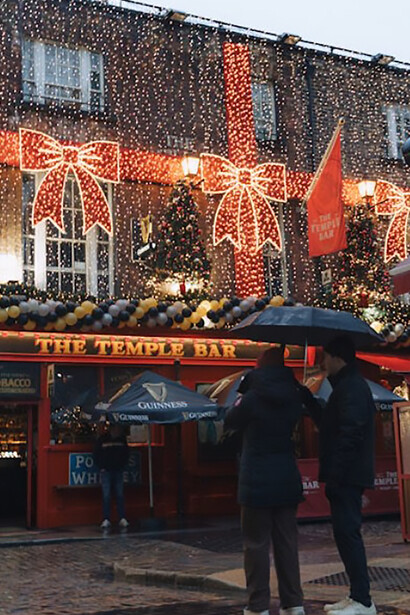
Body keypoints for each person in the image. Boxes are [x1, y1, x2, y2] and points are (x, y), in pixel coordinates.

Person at [224, 346, 305, 615]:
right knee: (287, 544)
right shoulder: (294, 394)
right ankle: (293, 603)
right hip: (286, 477)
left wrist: (243, 391)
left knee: (256, 545)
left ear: (261, 365)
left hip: (256, 479)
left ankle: (258, 606)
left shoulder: (253, 396)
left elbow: (230, 420)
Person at [299, 335, 377, 615]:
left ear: (337, 358)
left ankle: (363, 600)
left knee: (348, 533)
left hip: (347, 475)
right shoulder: (345, 388)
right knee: (344, 535)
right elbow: (332, 426)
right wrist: (309, 401)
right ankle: (357, 594)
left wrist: (336, 475)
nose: (322, 363)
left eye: (325, 357)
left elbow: (350, 433)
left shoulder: (352, 389)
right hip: (345, 474)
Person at [93, 423, 129, 529]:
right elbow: (96, 454)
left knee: (119, 495)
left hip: (118, 470)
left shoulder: (121, 440)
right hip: (107, 471)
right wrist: (102, 467)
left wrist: (122, 465)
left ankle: (121, 518)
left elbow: (126, 454)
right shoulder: (103, 439)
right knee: (107, 495)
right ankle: (106, 518)